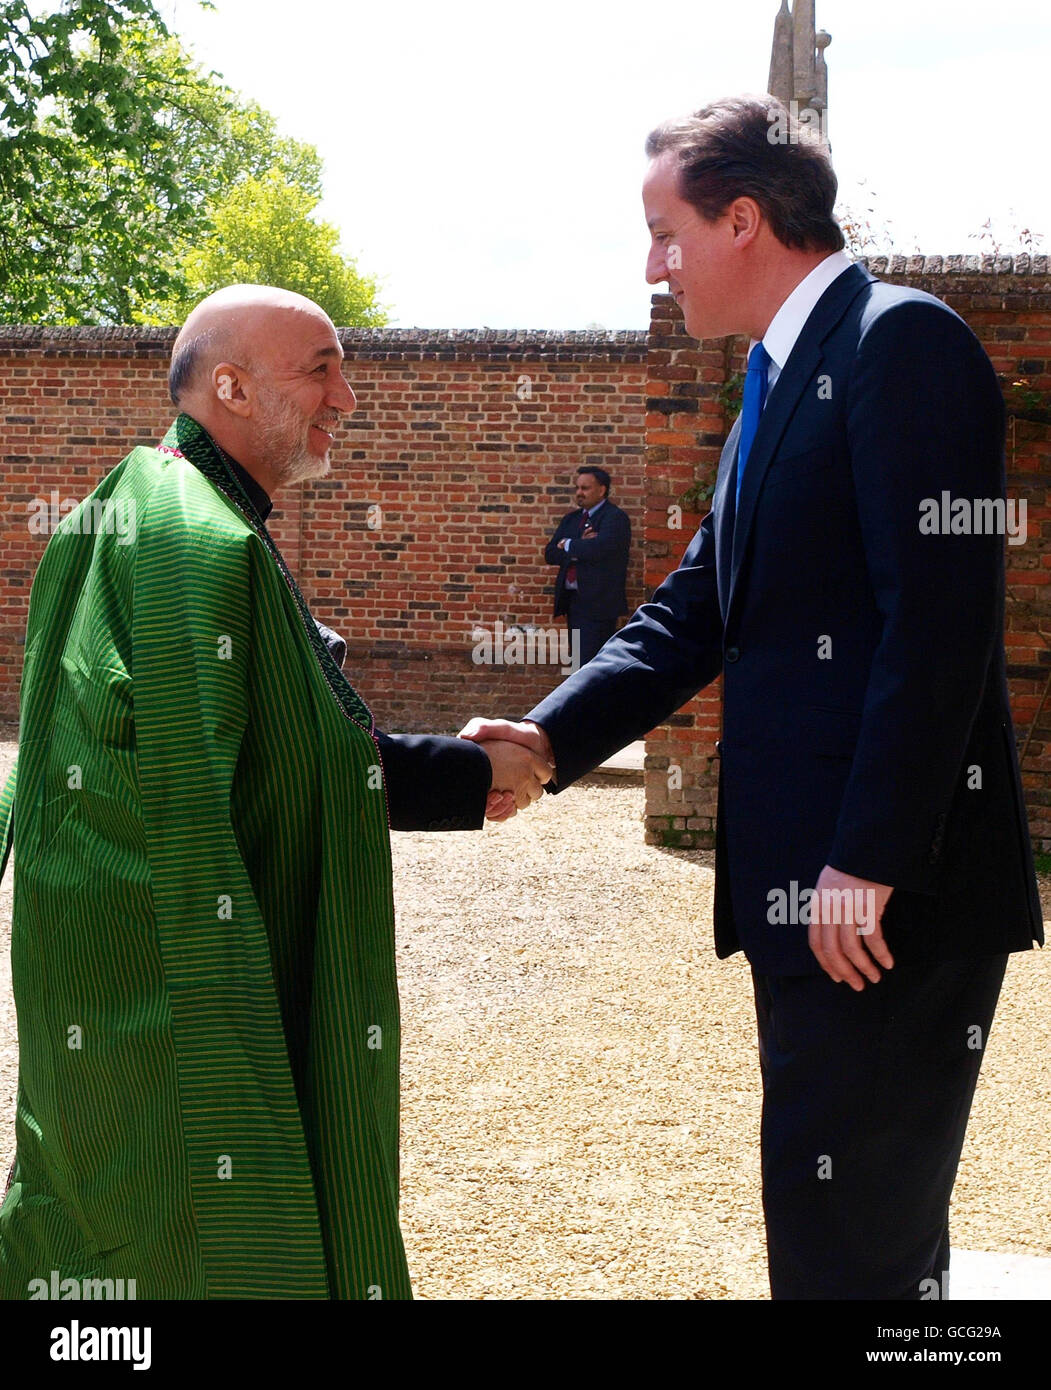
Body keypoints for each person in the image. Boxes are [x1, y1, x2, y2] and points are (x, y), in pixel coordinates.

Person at [462, 95, 1043, 1300]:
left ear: (741, 219)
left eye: (665, 233)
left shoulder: (900, 343)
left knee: (851, 1255)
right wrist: (548, 737)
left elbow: (937, 626)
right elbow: (695, 611)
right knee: (853, 1239)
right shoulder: (778, 380)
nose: (651, 266)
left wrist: (868, 857)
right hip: (823, 898)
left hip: (882, 901)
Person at [0, 284, 550, 1301]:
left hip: (92, 963)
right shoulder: (193, 540)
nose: (347, 397)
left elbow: (283, 730)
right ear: (232, 385)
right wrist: (473, 772)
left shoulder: (139, 504)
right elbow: (250, 768)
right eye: (322, 369)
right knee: (186, 1222)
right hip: (151, 984)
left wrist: (446, 766)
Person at [544, 467, 631, 666]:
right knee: (576, 661)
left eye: (585, 488)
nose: (579, 493)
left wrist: (568, 545)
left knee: (591, 663)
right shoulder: (572, 519)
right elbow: (550, 553)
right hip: (573, 602)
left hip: (599, 603)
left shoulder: (614, 518)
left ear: (601, 490)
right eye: (577, 488)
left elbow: (600, 549)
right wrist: (579, 547)